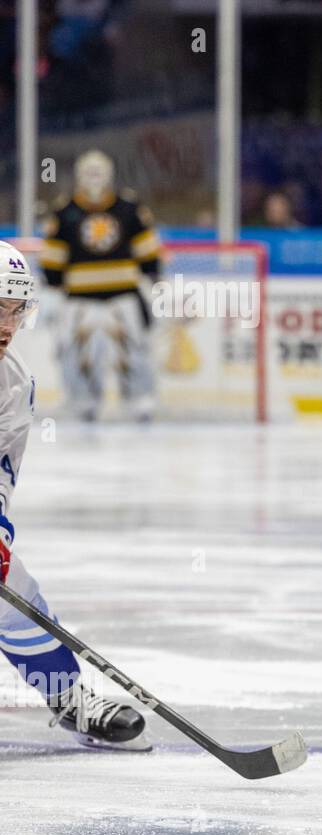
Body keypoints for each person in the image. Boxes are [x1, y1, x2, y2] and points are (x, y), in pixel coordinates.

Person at [0, 241, 149, 749]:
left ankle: (69, 699)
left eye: (17, 309)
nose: (9, 323)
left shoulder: (12, 384)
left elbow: (1, 471)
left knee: (13, 592)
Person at [40, 150, 162, 422]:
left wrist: (154, 281)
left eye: (99, 172)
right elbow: (51, 260)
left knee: (133, 348)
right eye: (89, 172)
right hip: (79, 299)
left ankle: (140, 398)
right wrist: (52, 289)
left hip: (124, 295)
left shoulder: (129, 208)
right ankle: (82, 400)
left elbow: (149, 252)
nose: (94, 178)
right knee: (77, 350)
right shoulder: (64, 212)